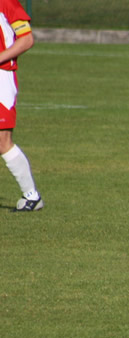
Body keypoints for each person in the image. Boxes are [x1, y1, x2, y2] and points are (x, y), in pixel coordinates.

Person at [0, 0, 42, 212]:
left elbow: (26, 40)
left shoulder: (6, 2)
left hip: (1, 77)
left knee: (2, 140)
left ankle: (31, 196)